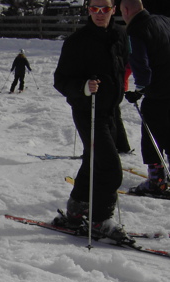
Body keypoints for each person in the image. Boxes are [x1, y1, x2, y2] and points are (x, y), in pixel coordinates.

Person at [52, 0, 131, 242]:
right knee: (109, 167)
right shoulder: (77, 42)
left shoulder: (120, 35)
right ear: (88, 10)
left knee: (93, 160)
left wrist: (126, 87)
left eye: (104, 9)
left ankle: (77, 209)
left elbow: (123, 66)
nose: (99, 13)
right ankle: (99, 219)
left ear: (113, 10)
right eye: (94, 9)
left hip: (110, 111)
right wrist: (83, 87)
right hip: (88, 111)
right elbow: (60, 80)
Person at [120, 0, 170, 195]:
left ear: (125, 10)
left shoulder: (136, 30)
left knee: (151, 136)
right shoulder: (164, 20)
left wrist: (138, 91)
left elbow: (141, 67)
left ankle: (156, 181)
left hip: (158, 93)